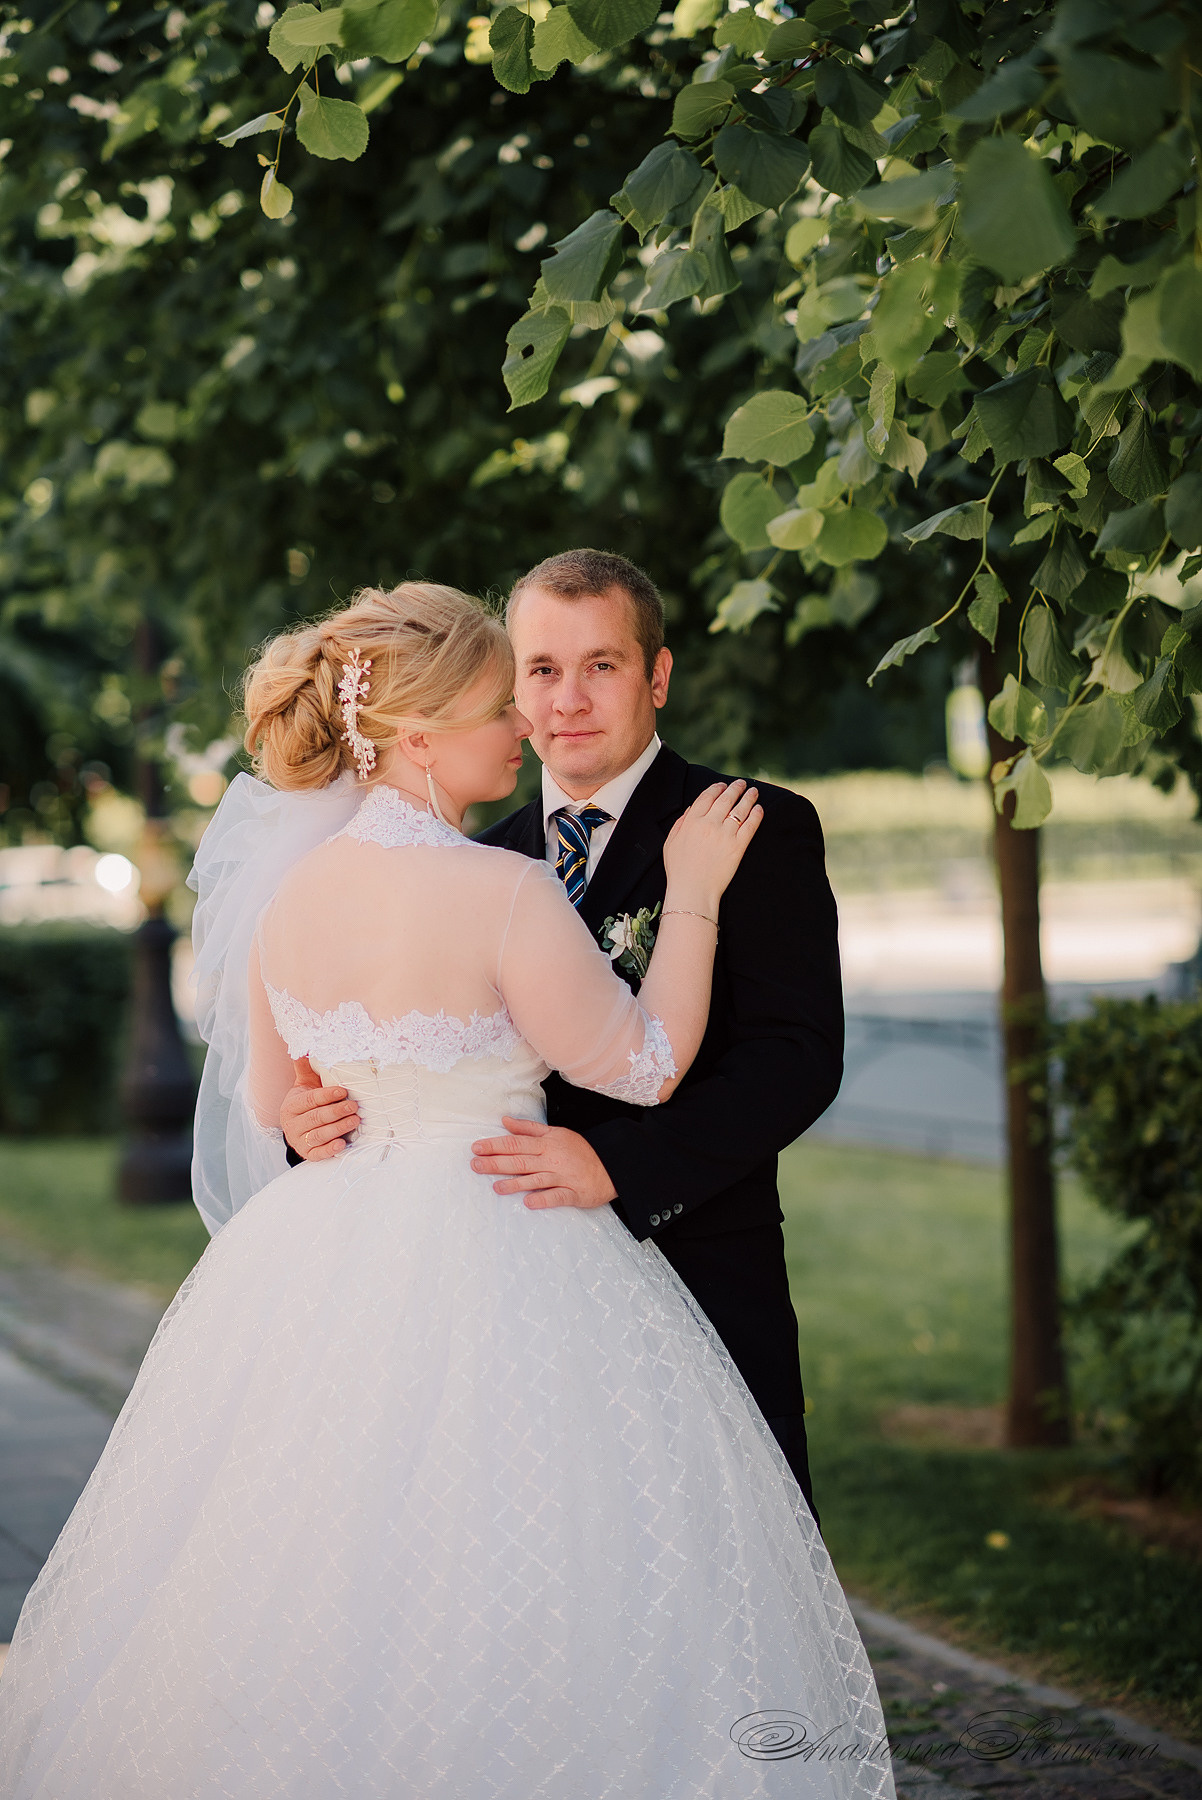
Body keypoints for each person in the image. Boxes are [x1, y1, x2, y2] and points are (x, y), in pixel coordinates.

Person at [0, 583, 892, 1799]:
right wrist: (686, 897)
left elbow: (270, 1097)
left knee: (342, 1559)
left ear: (656, 674)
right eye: (505, 696)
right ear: (416, 735)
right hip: (514, 1259)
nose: (529, 723)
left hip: (340, 1269)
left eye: (593, 670)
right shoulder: (501, 879)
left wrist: (314, 1117)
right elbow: (640, 1060)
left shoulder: (290, 893)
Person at [282, 549, 843, 1520]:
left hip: (697, 1259)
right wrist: (307, 1120)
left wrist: (622, 1166)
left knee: (721, 1552)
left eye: (602, 666)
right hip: (485, 1300)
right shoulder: (469, 856)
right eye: (539, 671)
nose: (565, 701)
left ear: (656, 677)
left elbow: (796, 1060)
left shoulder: (748, 827)